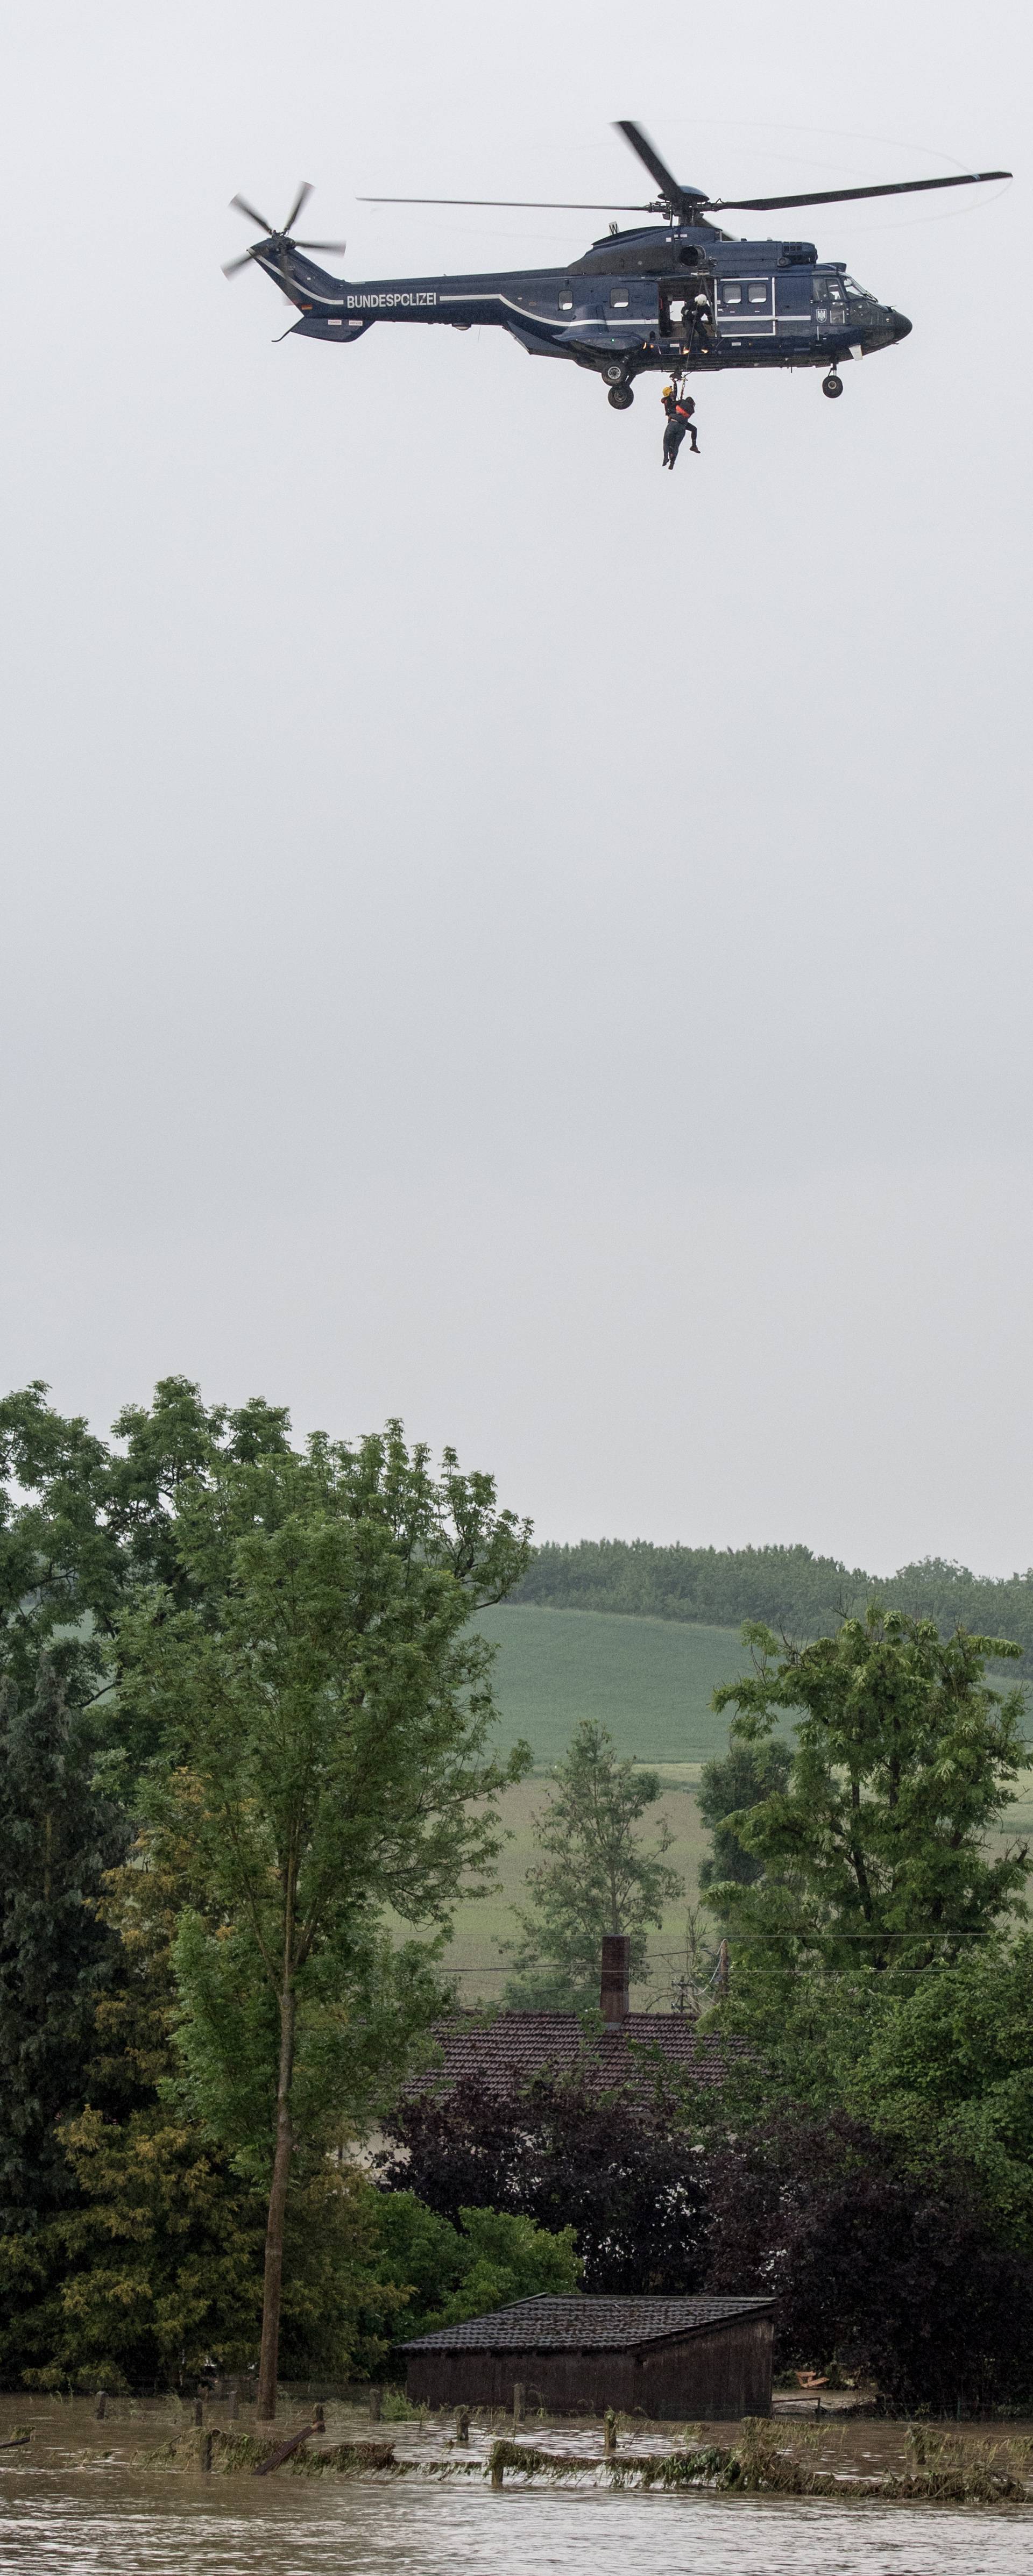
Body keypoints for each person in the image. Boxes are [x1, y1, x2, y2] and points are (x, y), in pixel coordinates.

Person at [661, 385, 699, 470]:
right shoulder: (692, 409)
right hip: (683, 425)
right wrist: (675, 385)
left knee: (667, 442)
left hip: (673, 422)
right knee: (676, 446)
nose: (674, 393)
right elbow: (675, 396)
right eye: (672, 392)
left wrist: (679, 404)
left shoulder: (673, 401)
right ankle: (673, 462)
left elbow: (671, 408)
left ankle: (666, 458)